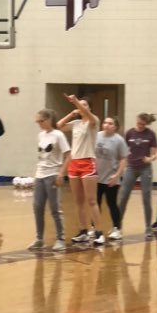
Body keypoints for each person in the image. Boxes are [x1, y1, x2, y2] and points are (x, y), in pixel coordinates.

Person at [57, 95, 102, 244]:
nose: (81, 107)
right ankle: (83, 231)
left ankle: (99, 232)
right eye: (80, 104)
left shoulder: (93, 121)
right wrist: (72, 113)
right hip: (74, 163)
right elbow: (59, 125)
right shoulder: (76, 123)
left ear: (90, 107)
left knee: (91, 201)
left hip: (88, 162)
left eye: (85, 105)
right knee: (78, 201)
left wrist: (76, 101)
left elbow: (88, 114)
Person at [29, 109, 70, 252]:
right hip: (40, 175)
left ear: (48, 120)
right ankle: (39, 238)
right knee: (37, 206)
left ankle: (60, 239)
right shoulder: (40, 135)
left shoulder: (58, 135)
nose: (39, 124)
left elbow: (68, 155)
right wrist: (36, 174)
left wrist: (61, 173)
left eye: (41, 121)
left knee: (54, 208)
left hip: (52, 175)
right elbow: (41, 156)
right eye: (37, 122)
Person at [118, 112, 157, 238]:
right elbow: (124, 150)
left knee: (146, 197)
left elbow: (155, 152)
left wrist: (150, 159)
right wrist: (123, 163)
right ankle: (117, 226)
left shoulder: (150, 134)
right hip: (131, 167)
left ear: (146, 123)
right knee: (123, 196)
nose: (140, 126)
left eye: (143, 124)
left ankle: (148, 227)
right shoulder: (130, 133)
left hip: (145, 168)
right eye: (138, 123)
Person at [95, 115, 128, 241]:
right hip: (96, 177)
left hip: (111, 178)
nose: (106, 125)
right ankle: (95, 227)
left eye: (110, 123)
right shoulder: (97, 136)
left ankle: (117, 228)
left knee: (112, 203)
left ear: (115, 127)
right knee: (95, 203)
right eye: (105, 122)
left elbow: (124, 158)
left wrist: (117, 175)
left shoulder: (119, 140)